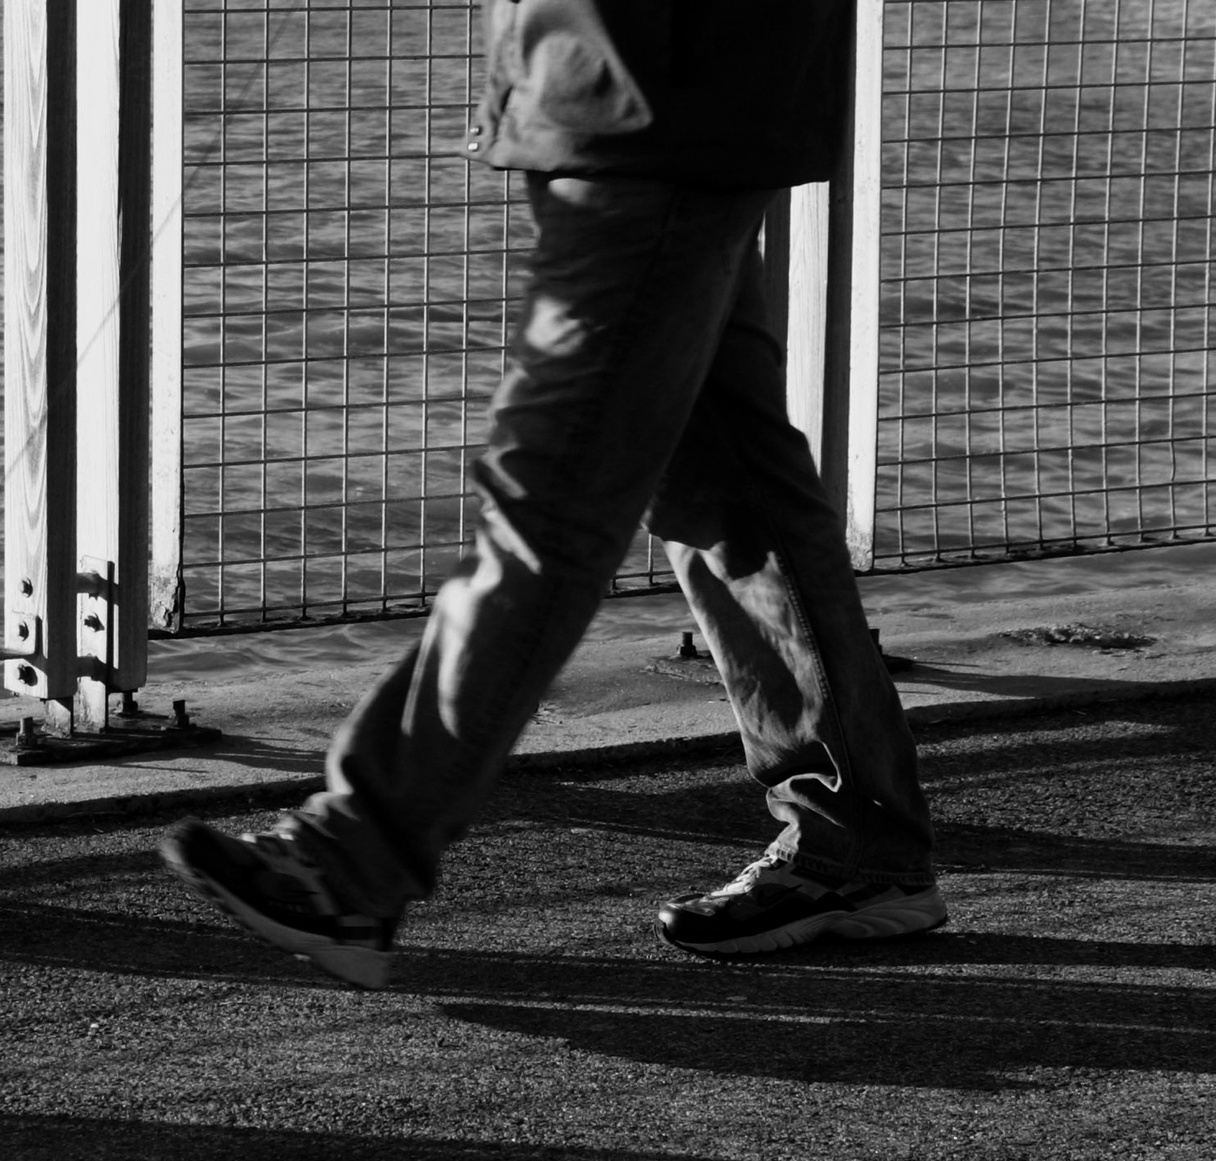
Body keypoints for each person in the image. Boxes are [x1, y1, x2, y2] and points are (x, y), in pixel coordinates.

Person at [161, 0, 946, 990]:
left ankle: (348, 863)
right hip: (657, 92)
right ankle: (860, 847)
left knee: (555, 495)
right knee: (730, 490)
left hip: (650, 97)